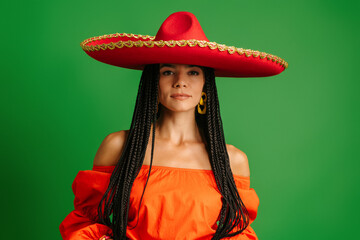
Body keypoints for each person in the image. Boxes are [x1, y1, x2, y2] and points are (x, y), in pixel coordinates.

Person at [59, 11, 288, 240]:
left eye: (193, 72)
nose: (180, 81)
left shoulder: (231, 159)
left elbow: (238, 233)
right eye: (167, 71)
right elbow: (86, 220)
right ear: (153, 82)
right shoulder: (119, 146)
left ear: (205, 84)